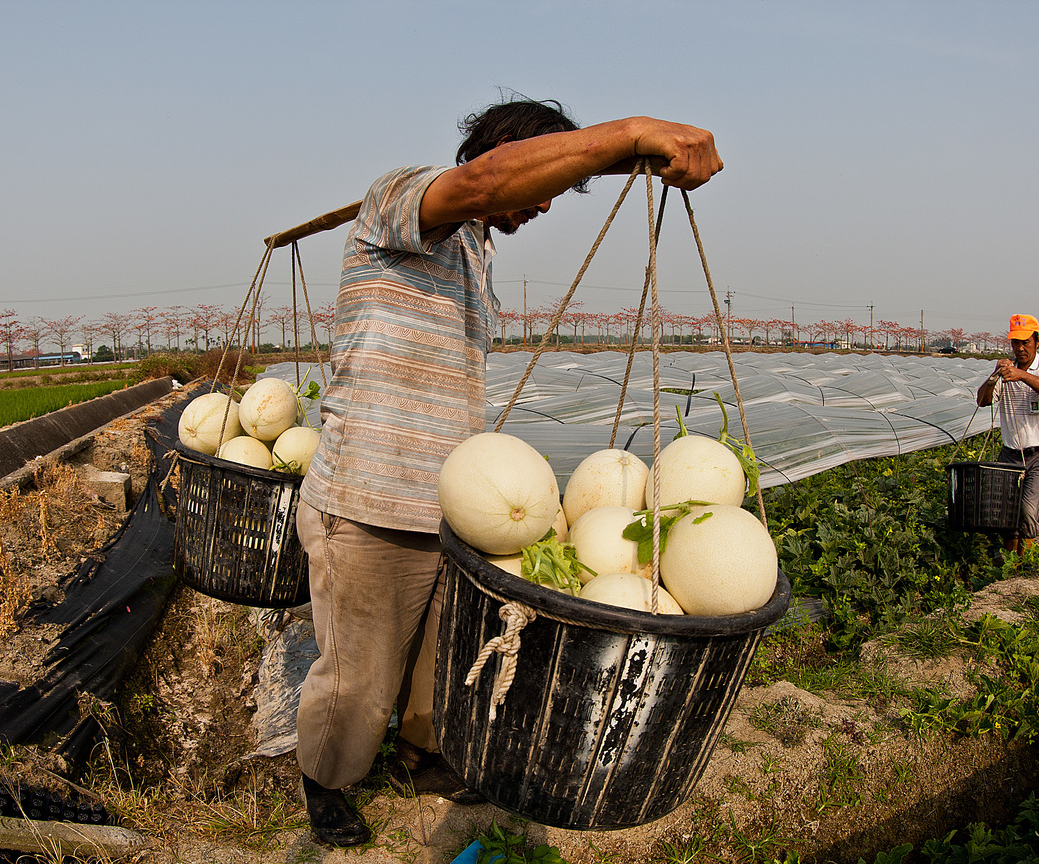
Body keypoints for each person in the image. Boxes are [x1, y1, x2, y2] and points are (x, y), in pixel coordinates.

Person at [291, 97, 723, 847]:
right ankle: (327, 782)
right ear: (500, 152)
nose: (547, 205)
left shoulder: (478, 252)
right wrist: (630, 136)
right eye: (544, 183)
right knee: (358, 677)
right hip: (369, 497)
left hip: (447, 505)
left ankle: (420, 757)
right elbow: (488, 182)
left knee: (441, 660)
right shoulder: (403, 200)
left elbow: (504, 190)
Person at [976, 313, 1039, 561]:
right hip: (1010, 453)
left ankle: (1026, 562)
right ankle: (1010, 563)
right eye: (1016, 343)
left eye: (1026, 342)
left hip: (1038, 454)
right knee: (1007, 512)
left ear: (1037, 342)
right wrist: (994, 376)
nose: (1021, 348)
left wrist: (1021, 375)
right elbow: (982, 401)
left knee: (1027, 510)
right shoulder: (1006, 372)